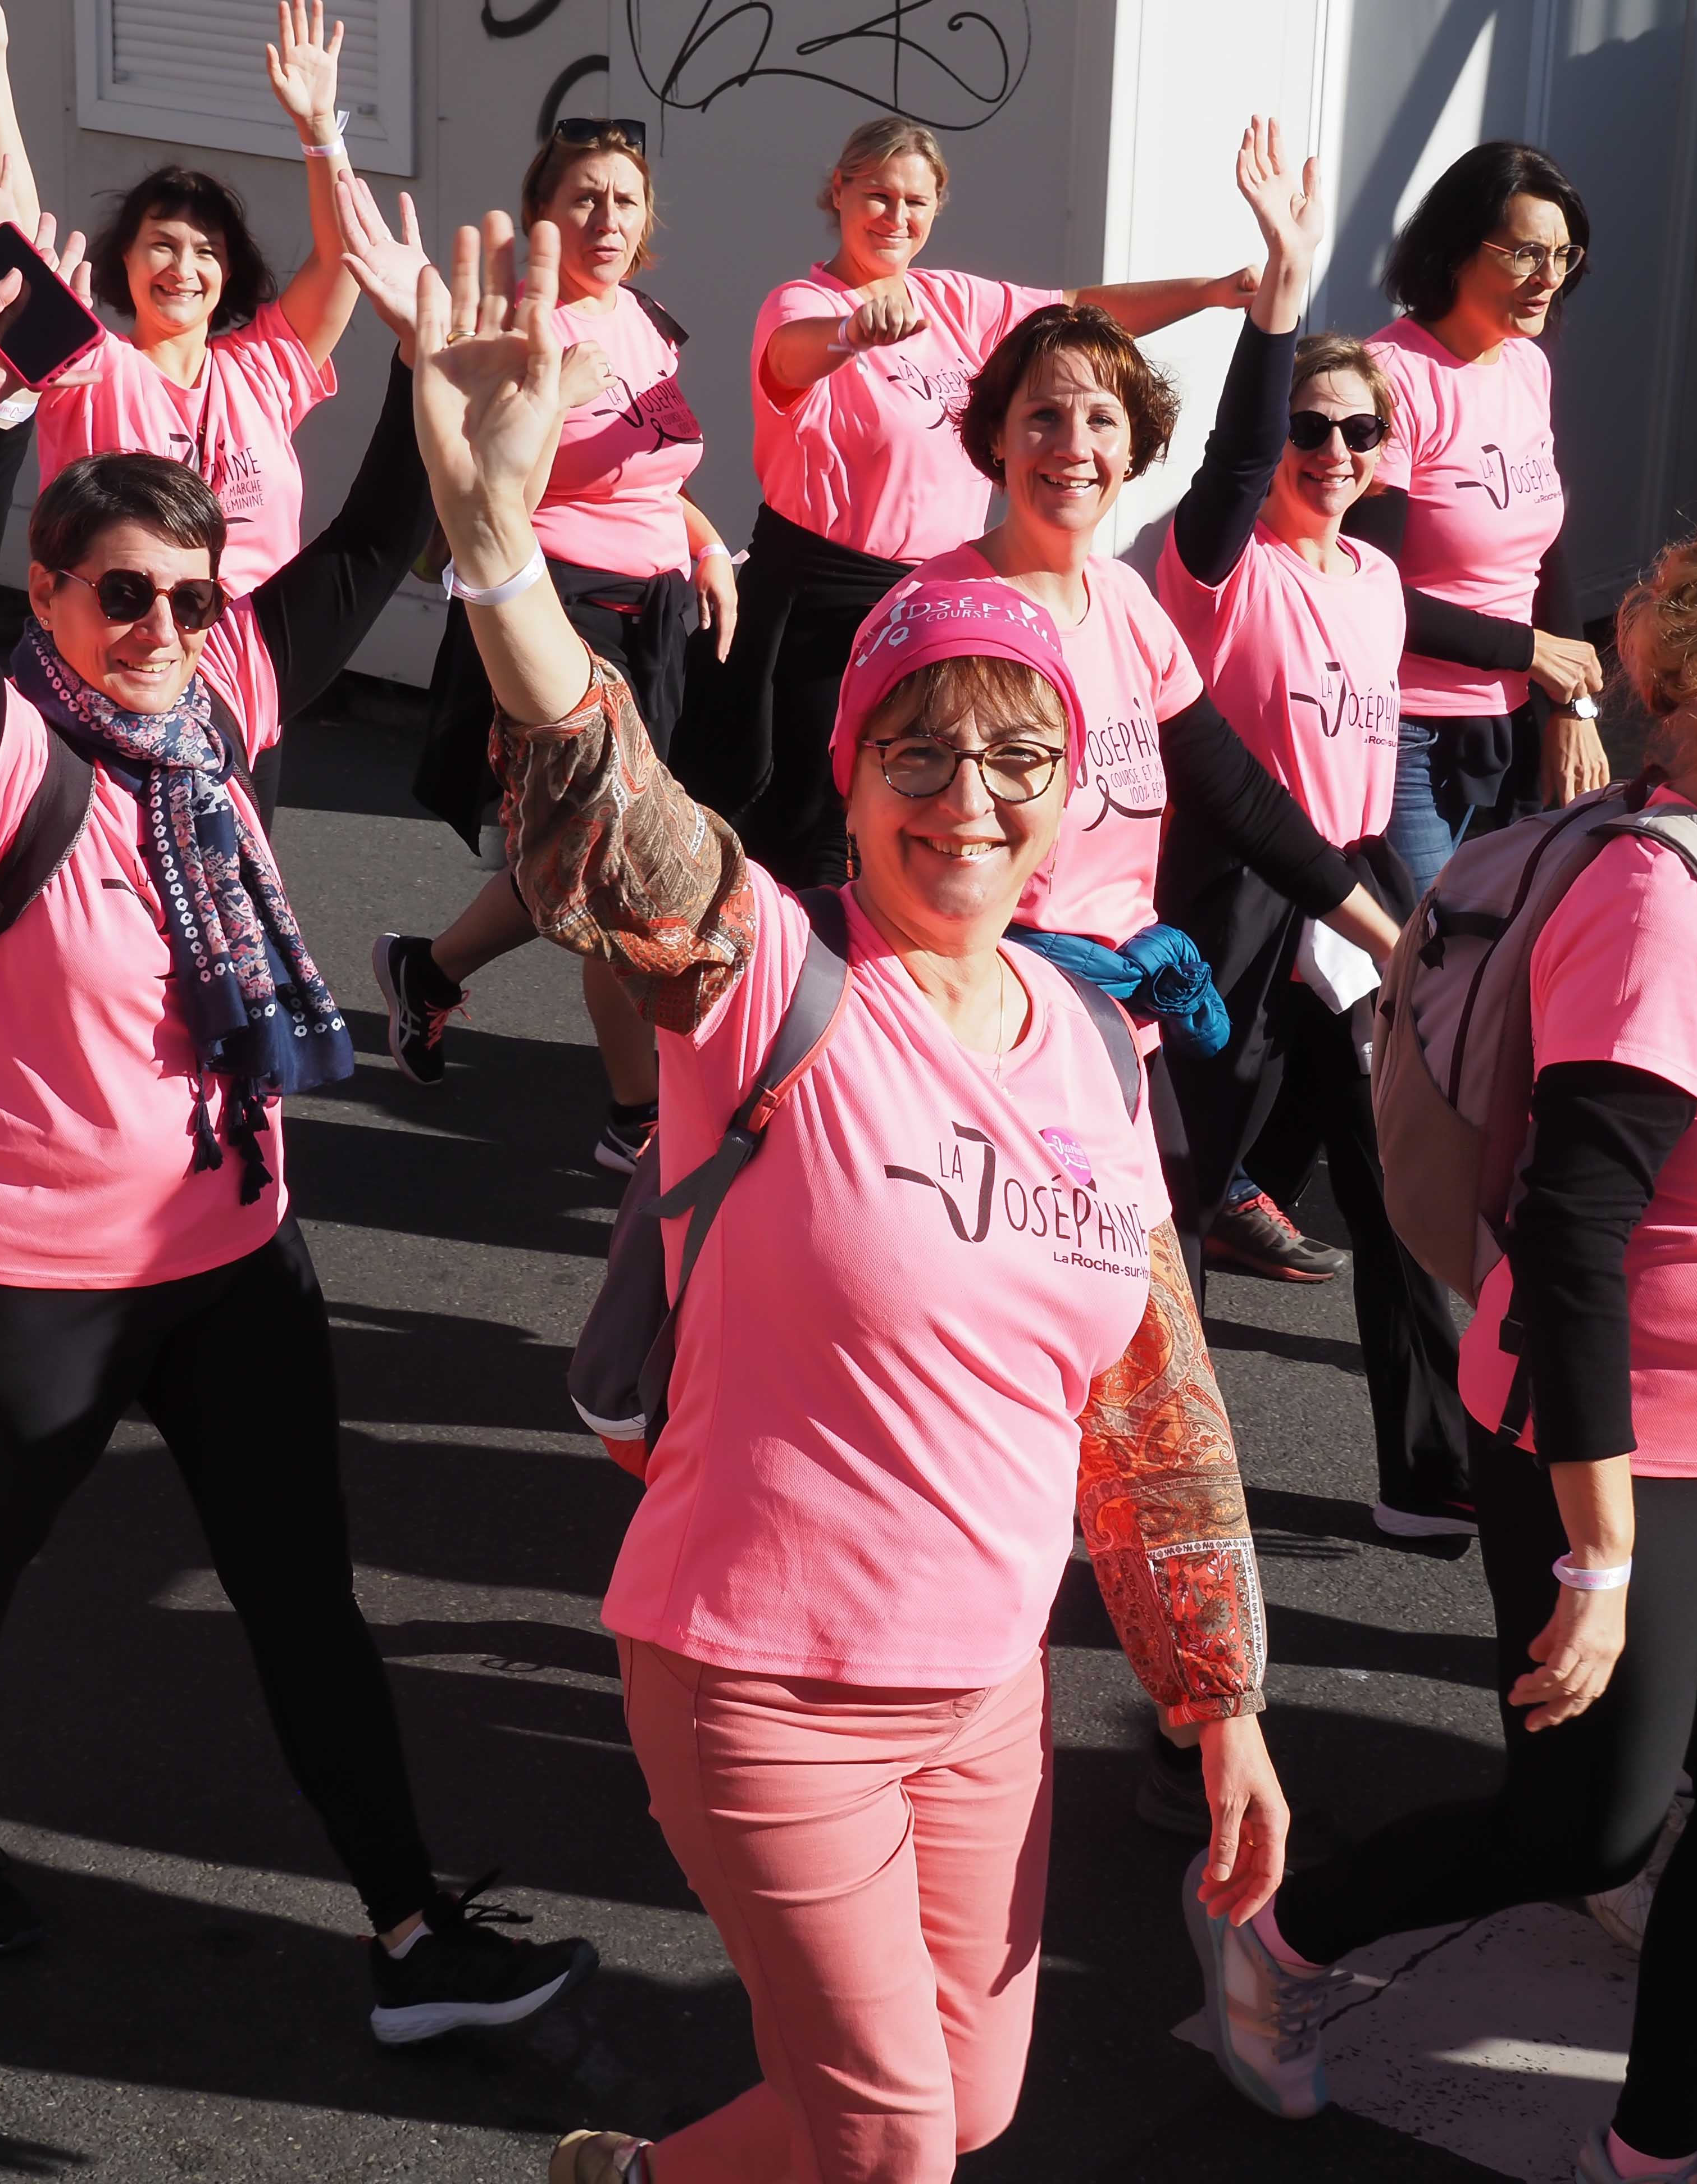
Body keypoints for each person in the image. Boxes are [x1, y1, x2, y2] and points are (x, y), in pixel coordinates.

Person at [396, 207, 1282, 2184]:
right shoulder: (767, 975)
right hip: (759, 1673)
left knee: (964, 2103)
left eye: (1017, 758)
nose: (969, 795)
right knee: (895, 2147)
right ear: (849, 762)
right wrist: (495, 546)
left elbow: (1149, 1407)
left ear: (1072, 792)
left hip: (985, 1688)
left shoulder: (1087, 1039)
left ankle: (624, 2177)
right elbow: (601, 798)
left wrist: (1216, 1698)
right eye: (922, 751)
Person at [0, 178, 595, 2046]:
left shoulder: (226, 696)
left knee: (301, 1593)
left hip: (230, 1244)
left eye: (188, 594)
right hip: (20, 1267)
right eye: (124, 595)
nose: (166, 624)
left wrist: (446, 379)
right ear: (50, 595)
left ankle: (412, 1927)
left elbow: (375, 534)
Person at [1205, 498, 1697, 2184]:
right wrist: (1603, 1555)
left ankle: (1654, 2151)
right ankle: (1277, 1945)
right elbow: (1568, 1238)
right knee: (1589, 1827)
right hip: (1619, 1460)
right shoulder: (1668, 907)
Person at [904, 258, 1400, 1298]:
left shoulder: (1127, 608)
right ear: (994, 436)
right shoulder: (945, 615)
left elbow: (1239, 793)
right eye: (1042, 417)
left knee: (1150, 1303)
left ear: (1134, 449)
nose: (1072, 447)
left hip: (1116, 1033)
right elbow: (902, 861)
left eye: (1101, 420)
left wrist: (1398, 944)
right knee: (1007, 1314)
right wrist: (1270, 309)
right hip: (985, 1038)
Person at [1149, 127, 1471, 1546]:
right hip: (1228, 896)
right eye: (1309, 428)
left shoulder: (1382, 578)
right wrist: (1275, 311)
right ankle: (1161, 1476)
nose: (1333, 454)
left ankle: (1427, 1470)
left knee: (1403, 1189)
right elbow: (1223, 474)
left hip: (1352, 895)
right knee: (1176, 1188)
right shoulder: (1214, 566)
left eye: (1360, 432)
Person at [691, 115, 1272, 892]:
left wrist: (1207, 294)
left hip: (939, 598)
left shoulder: (953, 301)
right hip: (822, 602)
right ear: (839, 191)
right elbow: (790, 356)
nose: (896, 218)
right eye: (879, 196)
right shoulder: (802, 301)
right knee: (810, 831)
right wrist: (853, 331)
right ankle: (783, 994)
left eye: (916, 203)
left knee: (907, 824)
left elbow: (1079, 313)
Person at [375, 116, 740, 1173]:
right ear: (545, 212)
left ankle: (431, 971)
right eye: (584, 197)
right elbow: (494, 501)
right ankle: (636, 1118)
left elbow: (662, 469)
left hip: (657, 611)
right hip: (563, 609)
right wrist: (551, 400)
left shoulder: (647, 321)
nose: (608, 219)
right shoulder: (524, 332)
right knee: (614, 862)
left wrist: (708, 547)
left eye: (625, 200)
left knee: (598, 848)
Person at [0, 1, 361, 793]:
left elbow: (341, 259)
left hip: (247, 682)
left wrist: (321, 127)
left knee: (231, 896)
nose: (182, 266)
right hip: (117, 667)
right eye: (161, 243)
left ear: (230, 272)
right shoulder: (94, 367)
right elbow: (21, 247)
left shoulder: (262, 369)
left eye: (206, 250)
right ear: (125, 260)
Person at [1346, 140, 1608, 893]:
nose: (1550, 278)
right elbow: (1368, 595)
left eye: (1563, 254)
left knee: (1501, 955)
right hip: (1409, 735)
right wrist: (1529, 652)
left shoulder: (1526, 361)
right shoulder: (1392, 379)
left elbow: (1544, 551)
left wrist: (1571, 704)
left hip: (1512, 722)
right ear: (1458, 251)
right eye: (1527, 252)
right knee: (1429, 967)